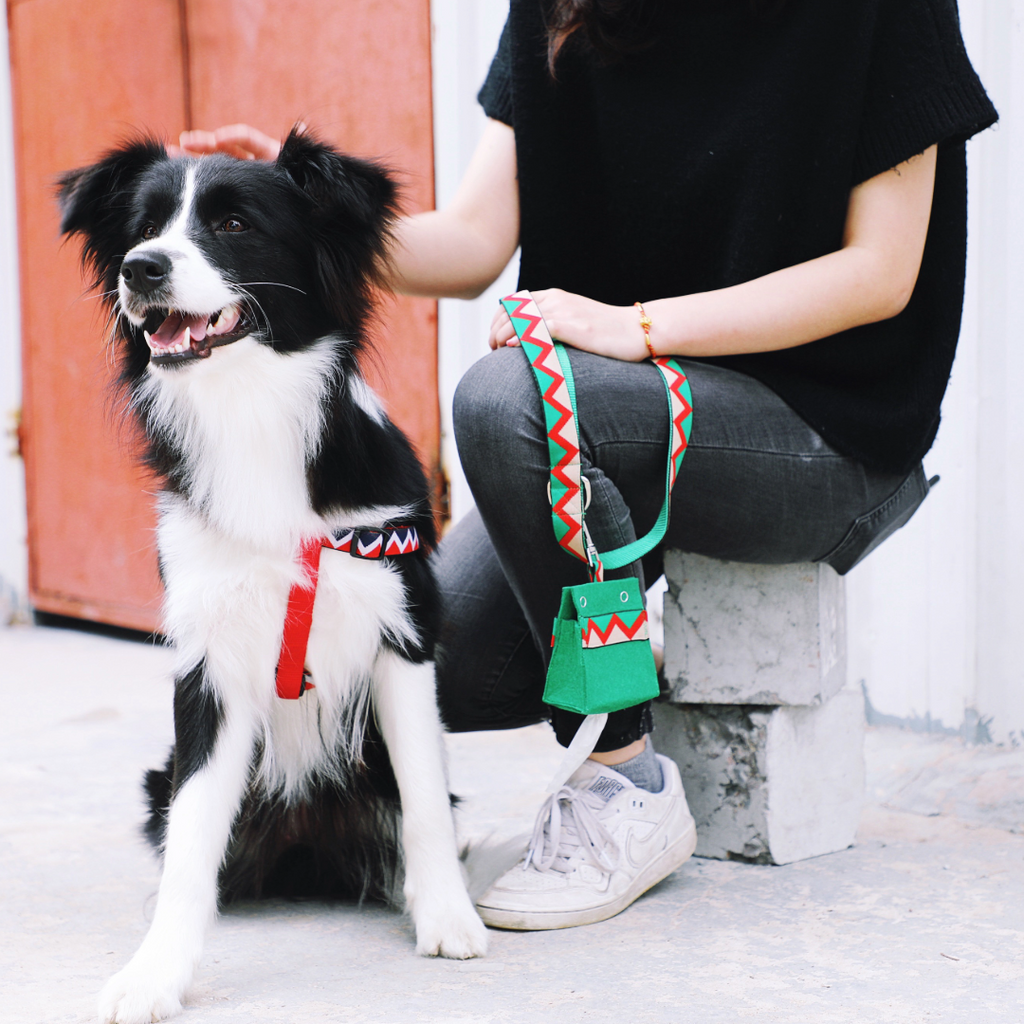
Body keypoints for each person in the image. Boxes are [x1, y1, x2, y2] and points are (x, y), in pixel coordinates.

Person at [180, 0, 996, 932]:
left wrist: (634, 330)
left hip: (824, 440)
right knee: (426, 666)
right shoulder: (563, 9)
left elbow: (880, 272)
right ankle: (620, 659)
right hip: (610, 429)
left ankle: (624, 780)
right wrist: (291, 225)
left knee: (503, 396)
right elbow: (476, 240)